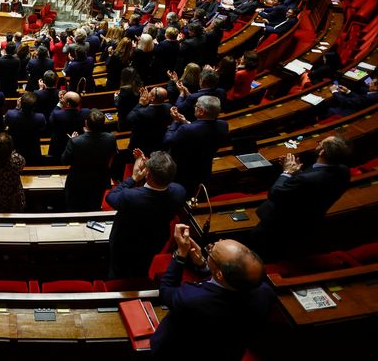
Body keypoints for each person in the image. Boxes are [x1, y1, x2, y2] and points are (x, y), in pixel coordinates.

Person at [150, 223, 275, 361]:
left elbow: (166, 290)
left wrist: (181, 253)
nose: (214, 244)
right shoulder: (265, 292)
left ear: (220, 274)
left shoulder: (192, 299)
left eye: (211, 250)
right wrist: (203, 265)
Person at [252, 136, 351, 260]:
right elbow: (311, 190)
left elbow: (275, 194)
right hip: (308, 223)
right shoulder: (344, 172)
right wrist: (297, 173)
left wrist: (287, 172)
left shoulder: (307, 180)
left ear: (322, 151)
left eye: (321, 142)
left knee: (260, 251)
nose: (319, 143)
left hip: (280, 226)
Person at [105, 150, 186, 278]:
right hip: (155, 240)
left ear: (147, 175)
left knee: (118, 270)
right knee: (143, 266)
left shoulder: (131, 197)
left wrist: (134, 178)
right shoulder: (179, 192)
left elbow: (110, 197)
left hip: (126, 242)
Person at [164, 95, 229, 196]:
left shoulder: (186, 130)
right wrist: (186, 122)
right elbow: (202, 131)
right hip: (204, 167)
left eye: (196, 106)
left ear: (202, 111)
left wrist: (175, 122)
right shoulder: (223, 125)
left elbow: (168, 141)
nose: (194, 107)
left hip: (183, 170)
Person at [62, 109, 117, 211]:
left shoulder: (75, 142)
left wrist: (72, 140)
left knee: (74, 208)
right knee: (94, 206)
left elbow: (65, 161)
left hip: (78, 181)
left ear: (86, 123)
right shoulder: (111, 138)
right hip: (100, 179)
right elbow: (111, 158)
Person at [127, 87, 172, 155]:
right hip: (159, 143)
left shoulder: (141, 113)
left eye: (150, 92)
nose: (148, 93)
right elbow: (153, 108)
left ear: (152, 98)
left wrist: (141, 103)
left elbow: (129, 119)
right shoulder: (168, 107)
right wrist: (147, 103)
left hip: (141, 146)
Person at [4, 91, 46, 165]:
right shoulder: (40, 117)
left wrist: (17, 108)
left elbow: (7, 122)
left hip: (15, 149)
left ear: (20, 103)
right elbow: (42, 130)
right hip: (33, 150)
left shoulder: (10, 114)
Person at [48, 91, 89, 160]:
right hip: (80, 144)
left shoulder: (57, 114)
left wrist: (59, 104)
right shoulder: (86, 112)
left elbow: (50, 120)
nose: (62, 99)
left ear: (68, 104)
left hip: (61, 146)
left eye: (64, 98)